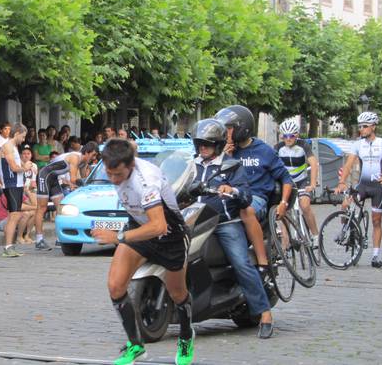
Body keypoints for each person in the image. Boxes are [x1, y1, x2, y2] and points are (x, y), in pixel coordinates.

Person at [92, 139, 194, 365]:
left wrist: (117, 237)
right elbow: (129, 145)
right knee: (115, 286)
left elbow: (159, 226)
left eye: (117, 174)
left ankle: (186, 336)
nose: (113, 179)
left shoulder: (145, 182)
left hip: (169, 235)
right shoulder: (123, 159)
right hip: (139, 227)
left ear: (131, 165)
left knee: (177, 293)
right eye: (109, 173)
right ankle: (136, 346)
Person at [192, 118, 275, 338]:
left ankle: (264, 313)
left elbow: (246, 196)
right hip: (195, 221)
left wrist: (232, 190)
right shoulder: (193, 164)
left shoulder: (231, 166)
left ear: (218, 145)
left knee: (241, 263)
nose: (202, 148)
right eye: (200, 144)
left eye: (207, 144)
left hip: (224, 223)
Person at [215, 105, 293, 274]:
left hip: (255, 198)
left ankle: (262, 262)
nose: (225, 134)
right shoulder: (222, 152)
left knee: (245, 211)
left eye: (228, 129)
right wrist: (224, 156)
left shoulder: (264, 151)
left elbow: (286, 179)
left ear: (242, 128)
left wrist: (284, 203)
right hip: (229, 196)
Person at [335, 111, 382, 268]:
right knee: (345, 205)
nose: (361, 130)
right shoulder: (357, 145)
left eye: (364, 126)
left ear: (373, 126)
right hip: (362, 186)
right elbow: (348, 165)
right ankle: (349, 230)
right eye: (359, 127)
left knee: (376, 221)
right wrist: (342, 182)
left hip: (378, 187)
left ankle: (375, 255)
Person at [34, 142, 99, 251]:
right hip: (44, 175)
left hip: (54, 178)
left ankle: (60, 239)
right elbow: (73, 179)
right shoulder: (75, 158)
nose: (94, 158)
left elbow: (83, 180)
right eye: (93, 155)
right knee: (42, 208)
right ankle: (39, 240)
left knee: (61, 207)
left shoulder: (83, 162)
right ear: (87, 152)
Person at [275, 119, 320, 244]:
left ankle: (315, 235)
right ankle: (286, 243)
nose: (288, 139)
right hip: (287, 183)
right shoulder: (278, 148)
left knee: (305, 205)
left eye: (291, 136)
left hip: (301, 180)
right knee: (284, 211)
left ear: (297, 135)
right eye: (285, 136)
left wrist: (312, 183)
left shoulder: (303, 145)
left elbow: (313, 164)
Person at [0, 124, 32, 257]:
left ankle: (10, 245)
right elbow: (13, 167)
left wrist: (26, 166)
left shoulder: (14, 147)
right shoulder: (7, 146)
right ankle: (8, 247)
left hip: (16, 184)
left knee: (15, 215)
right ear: (17, 133)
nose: (23, 140)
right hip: (11, 184)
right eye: (23, 136)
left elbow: (17, 164)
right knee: (14, 215)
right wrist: (25, 168)